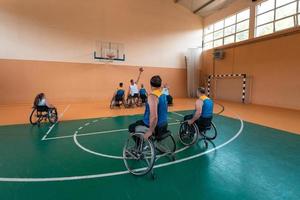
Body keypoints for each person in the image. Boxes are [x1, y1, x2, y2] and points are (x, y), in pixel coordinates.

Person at [128, 75, 168, 139]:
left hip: (156, 127)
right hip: (164, 124)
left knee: (131, 127)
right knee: (137, 122)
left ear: (151, 84)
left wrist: (150, 131)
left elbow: (154, 117)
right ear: (160, 84)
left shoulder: (152, 96)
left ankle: (139, 146)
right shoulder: (163, 94)